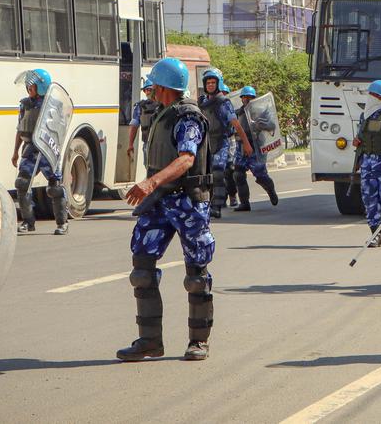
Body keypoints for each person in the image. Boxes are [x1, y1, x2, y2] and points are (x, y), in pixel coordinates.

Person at [117, 57, 216, 362]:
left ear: (166, 87)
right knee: (141, 269)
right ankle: (150, 342)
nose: (152, 91)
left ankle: (198, 341)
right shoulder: (161, 113)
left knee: (196, 275)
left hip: (187, 200)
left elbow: (187, 159)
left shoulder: (188, 118)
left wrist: (150, 183)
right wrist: (152, 185)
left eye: (155, 86)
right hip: (160, 200)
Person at [11, 68, 69, 235]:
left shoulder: (53, 105)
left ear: (41, 87)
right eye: (28, 87)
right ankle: (28, 222)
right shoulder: (25, 104)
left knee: (55, 188)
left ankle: (62, 223)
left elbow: (60, 129)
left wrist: (55, 150)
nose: (28, 90)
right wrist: (15, 151)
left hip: (47, 149)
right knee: (22, 184)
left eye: (32, 87)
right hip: (30, 149)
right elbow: (20, 128)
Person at [199, 68, 252, 219]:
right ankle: (206, 204)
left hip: (221, 142)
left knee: (218, 172)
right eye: (208, 82)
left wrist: (247, 144)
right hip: (206, 143)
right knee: (205, 176)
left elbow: (236, 124)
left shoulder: (224, 102)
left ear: (218, 84)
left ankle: (217, 206)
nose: (210, 85)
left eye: (213, 82)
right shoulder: (202, 102)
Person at [354, 80, 381, 246]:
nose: (369, 97)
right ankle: (376, 235)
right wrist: (357, 143)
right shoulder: (363, 117)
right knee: (369, 199)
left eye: (371, 94)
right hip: (366, 163)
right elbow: (361, 138)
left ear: (379, 97)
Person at [232, 86, 280, 211]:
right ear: (241, 98)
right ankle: (244, 203)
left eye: (249, 97)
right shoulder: (238, 113)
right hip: (241, 147)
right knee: (238, 174)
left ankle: (271, 190)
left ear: (254, 98)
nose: (246, 99)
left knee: (260, 175)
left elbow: (272, 125)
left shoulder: (261, 112)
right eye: (244, 97)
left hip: (256, 148)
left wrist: (261, 124)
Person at [127, 79, 158, 162]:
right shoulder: (140, 106)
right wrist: (130, 144)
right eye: (146, 90)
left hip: (163, 144)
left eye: (150, 89)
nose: (148, 92)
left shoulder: (164, 105)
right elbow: (134, 125)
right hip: (147, 144)